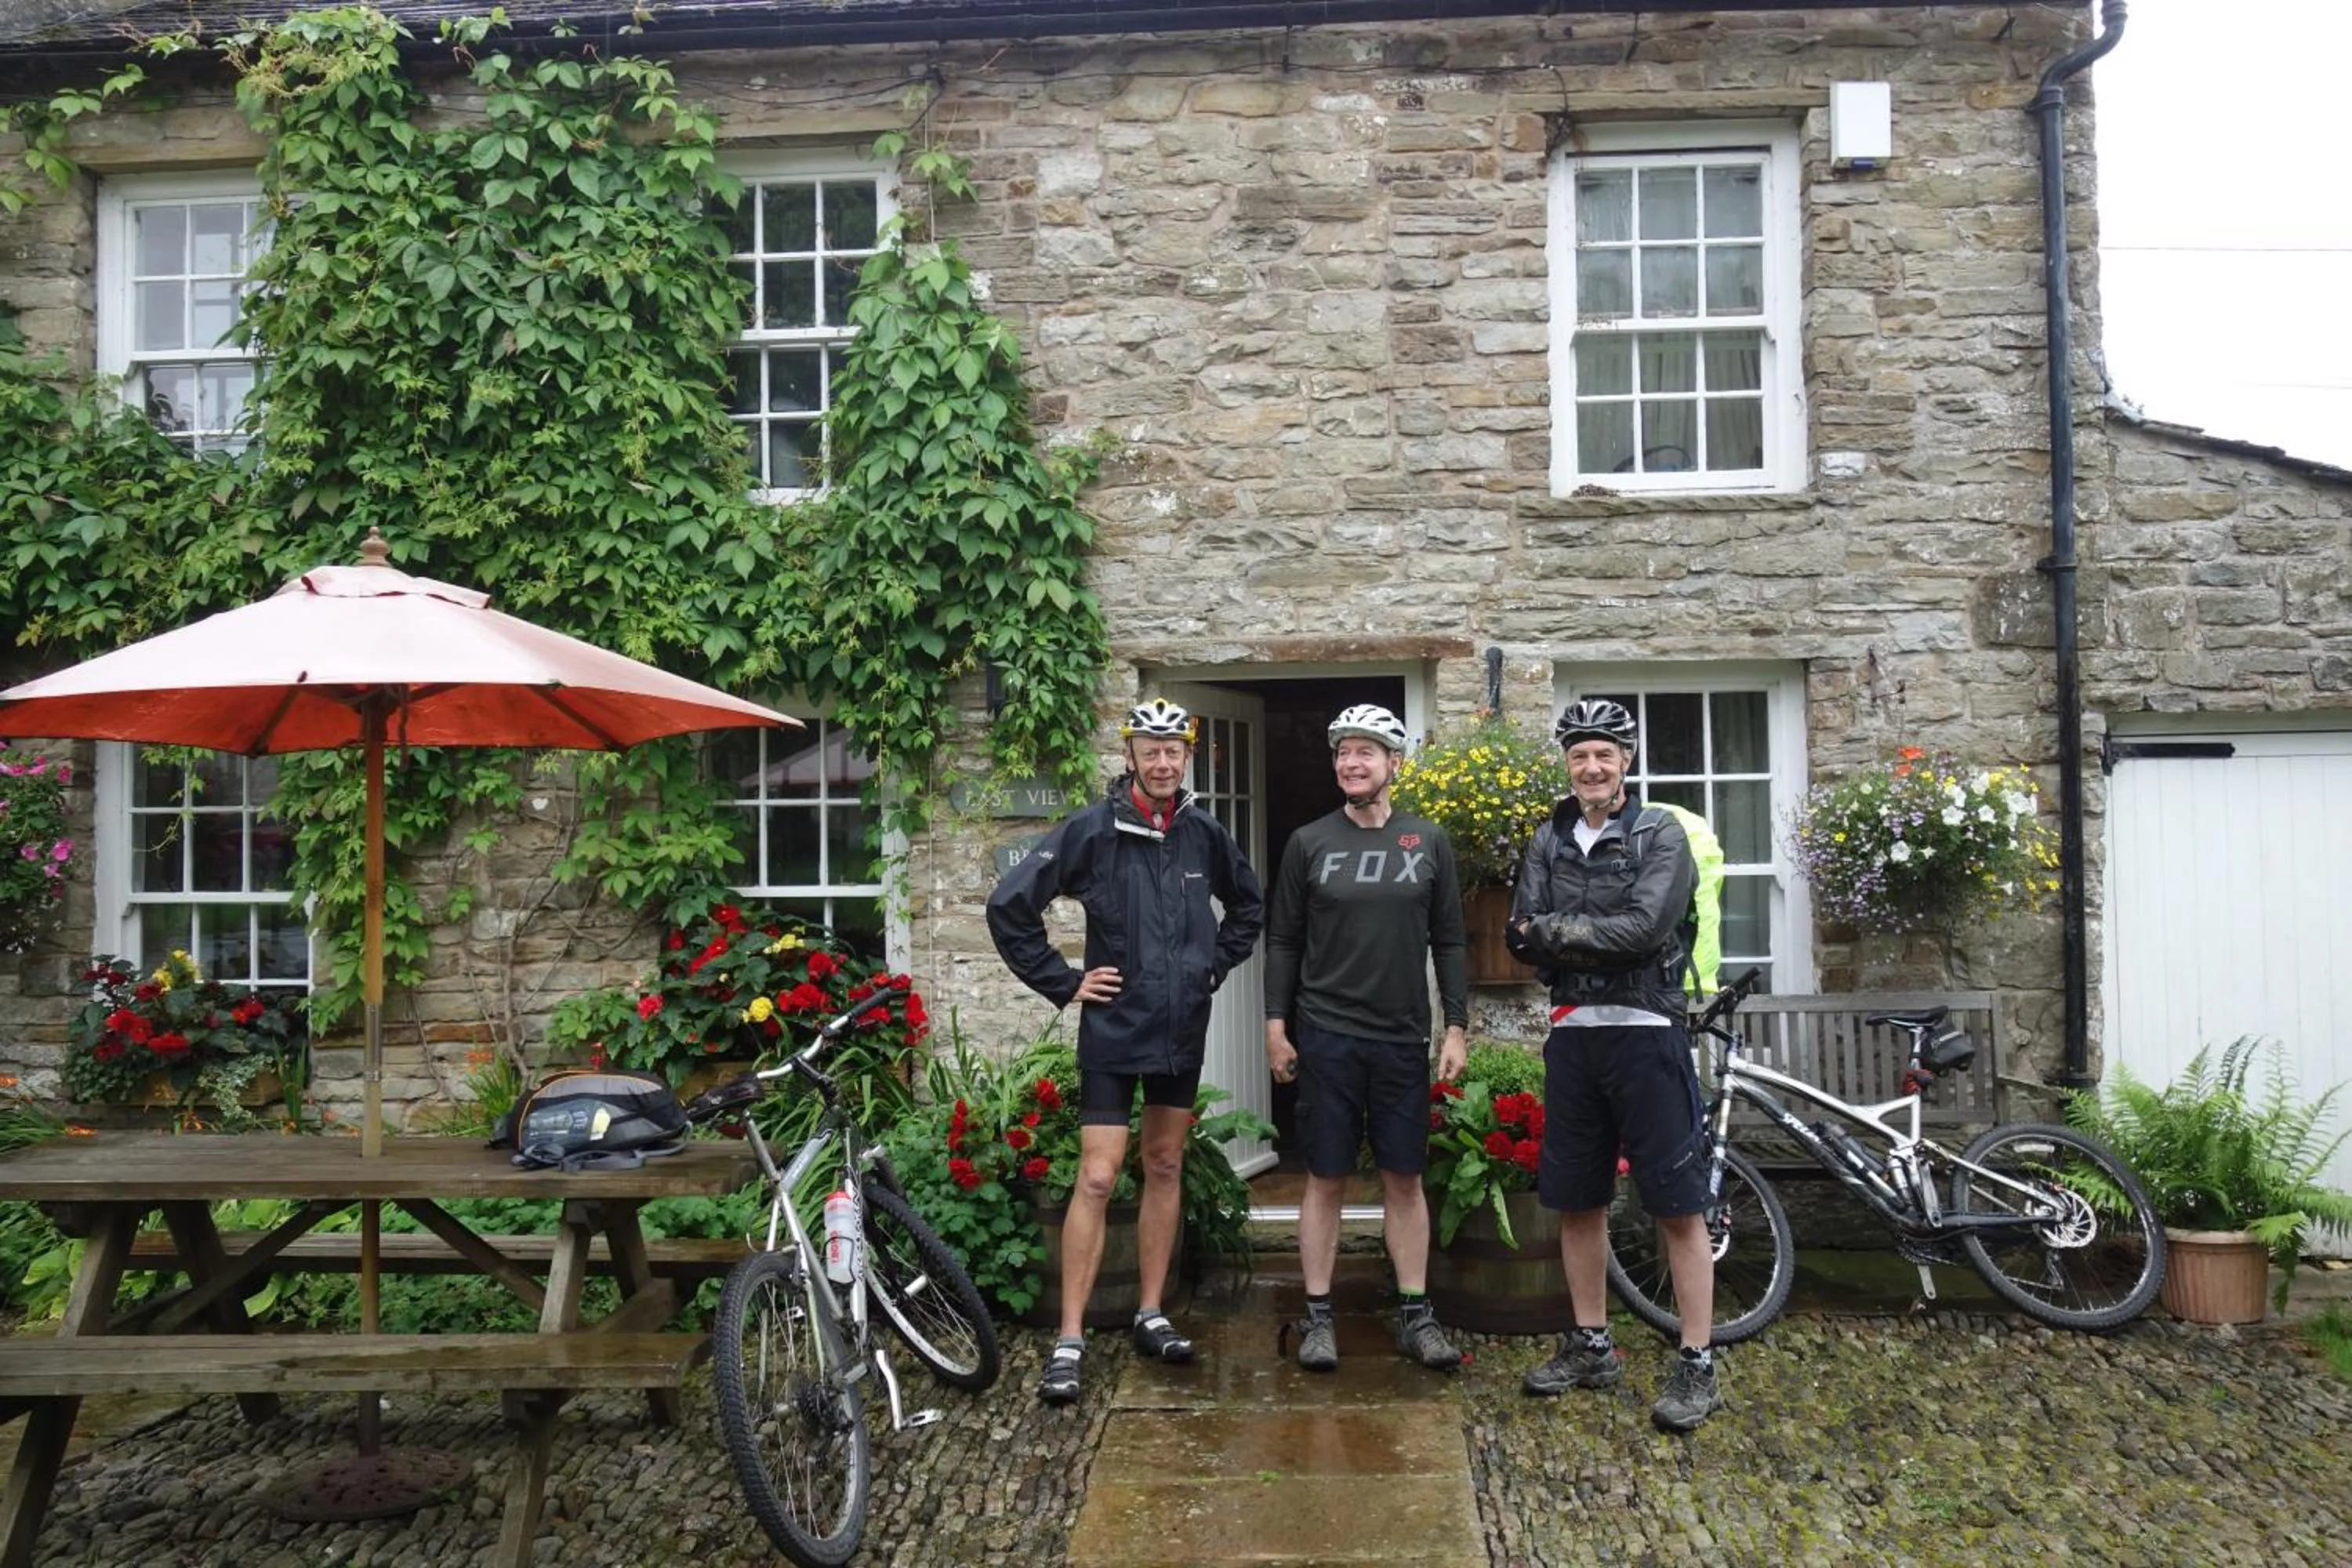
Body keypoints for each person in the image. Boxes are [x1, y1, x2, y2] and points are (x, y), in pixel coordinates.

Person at [986, 696, 1265, 1406]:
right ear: (1130, 755)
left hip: (1182, 1029)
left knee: (1165, 1163)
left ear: (1187, 757)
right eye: (1151, 749)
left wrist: (1214, 966)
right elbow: (1009, 906)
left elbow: (1249, 907)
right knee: (1100, 1177)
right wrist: (1064, 981)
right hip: (1113, 1027)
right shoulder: (1092, 829)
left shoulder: (1204, 834)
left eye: (1175, 750)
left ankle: (1151, 1312)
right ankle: (1071, 1337)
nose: (1163, 761)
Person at [1505, 697, 1721, 1432]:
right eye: (1579, 756)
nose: (1591, 767)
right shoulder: (1548, 838)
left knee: (1675, 1201)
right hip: (1574, 1035)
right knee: (1577, 1197)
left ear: (1627, 761)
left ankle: (1697, 1360)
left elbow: (1644, 928)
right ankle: (1592, 1343)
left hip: (1648, 1030)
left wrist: (1560, 931)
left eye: (1605, 754)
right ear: (1567, 764)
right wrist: (1568, 935)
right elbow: (1519, 936)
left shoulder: (1661, 833)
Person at [1263, 702, 1468, 1375]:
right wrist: (1275, 1026)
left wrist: (1457, 1026)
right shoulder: (1309, 843)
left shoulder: (1428, 841)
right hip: (1327, 1035)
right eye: (1343, 752)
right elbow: (1285, 939)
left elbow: (1451, 940)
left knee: (1404, 1178)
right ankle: (1319, 1317)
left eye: (1366, 752)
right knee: (1324, 1177)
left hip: (1403, 1037)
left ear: (1394, 764)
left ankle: (1415, 1314)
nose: (1351, 763)